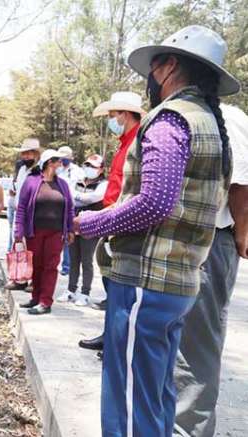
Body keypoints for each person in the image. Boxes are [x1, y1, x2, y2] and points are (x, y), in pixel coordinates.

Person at [74, 25, 239, 437]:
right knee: (156, 393)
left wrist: (91, 222)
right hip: (179, 282)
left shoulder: (171, 120)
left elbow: (153, 203)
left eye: (153, 67)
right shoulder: (210, 122)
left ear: (168, 67)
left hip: (146, 281)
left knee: (129, 396)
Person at [174, 104, 248, 437]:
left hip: (209, 239)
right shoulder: (181, 113)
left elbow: (240, 184)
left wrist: (243, 234)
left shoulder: (226, 117)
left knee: (196, 348)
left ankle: (188, 430)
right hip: (179, 240)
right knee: (176, 345)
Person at [78, 91, 145, 352]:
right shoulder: (123, 142)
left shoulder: (138, 141)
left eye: (113, 114)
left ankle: (118, 343)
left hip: (123, 219)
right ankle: (111, 335)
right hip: (112, 217)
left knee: (122, 286)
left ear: (125, 114)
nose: (111, 119)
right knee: (112, 284)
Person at [14, 149, 75, 315]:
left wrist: (70, 229)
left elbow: (69, 208)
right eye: (58, 161)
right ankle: (35, 297)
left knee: (50, 266)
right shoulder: (32, 181)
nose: (61, 165)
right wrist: (18, 231)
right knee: (36, 265)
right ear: (50, 162)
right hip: (34, 231)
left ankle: (45, 302)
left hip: (55, 233)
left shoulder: (62, 184)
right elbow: (21, 208)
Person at [56, 154, 107, 306]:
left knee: (86, 260)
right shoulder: (78, 182)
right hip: (74, 224)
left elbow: (94, 198)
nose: (89, 169)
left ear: (101, 169)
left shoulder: (104, 184)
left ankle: (85, 293)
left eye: (93, 166)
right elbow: (69, 198)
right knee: (73, 259)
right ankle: (71, 290)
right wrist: (79, 197)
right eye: (87, 165)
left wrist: (78, 197)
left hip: (91, 226)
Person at [6, 138, 41, 291]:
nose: (26, 157)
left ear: (36, 154)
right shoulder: (21, 170)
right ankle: (20, 279)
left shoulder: (40, 170)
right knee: (19, 244)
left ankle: (35, 280)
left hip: (34, 213)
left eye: (29, 154)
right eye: (24, 154)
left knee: (34, 248)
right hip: (20, 212)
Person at [56, 146, 84, 277]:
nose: (63, 160)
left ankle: (66, 266)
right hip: (57, 207)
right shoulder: (57, 170)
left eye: (65, 158)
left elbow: (81, 188)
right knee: (57, 237)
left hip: (72, 207)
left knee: (68, 236)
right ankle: (55, 263)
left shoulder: (78, 171)